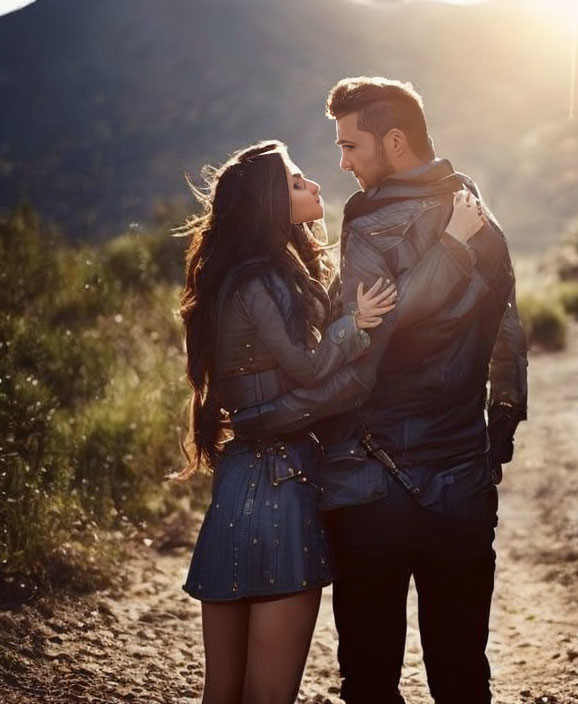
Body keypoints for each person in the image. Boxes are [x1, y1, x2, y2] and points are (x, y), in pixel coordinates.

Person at [231, 77, 528, 704]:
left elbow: (365, 351)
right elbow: (508, 321)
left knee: (369, 676)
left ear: (393, 142)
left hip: (369, 486)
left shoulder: (368, 226)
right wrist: (502, 417)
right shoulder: (478, 213)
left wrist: (271, 415)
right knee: (462, 671)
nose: (341, 164)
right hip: (462, 481)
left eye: (350, 146)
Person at [175, 139, 485, 704]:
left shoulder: (255, 275)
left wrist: (256, 419)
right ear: (270, 202)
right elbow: (317, 369)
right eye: (296, 181)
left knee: (221, 691)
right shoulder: (264, 280)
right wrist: (361, 325)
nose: (316, 183)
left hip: (238, 486)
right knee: (267, 694)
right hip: (279, 487)